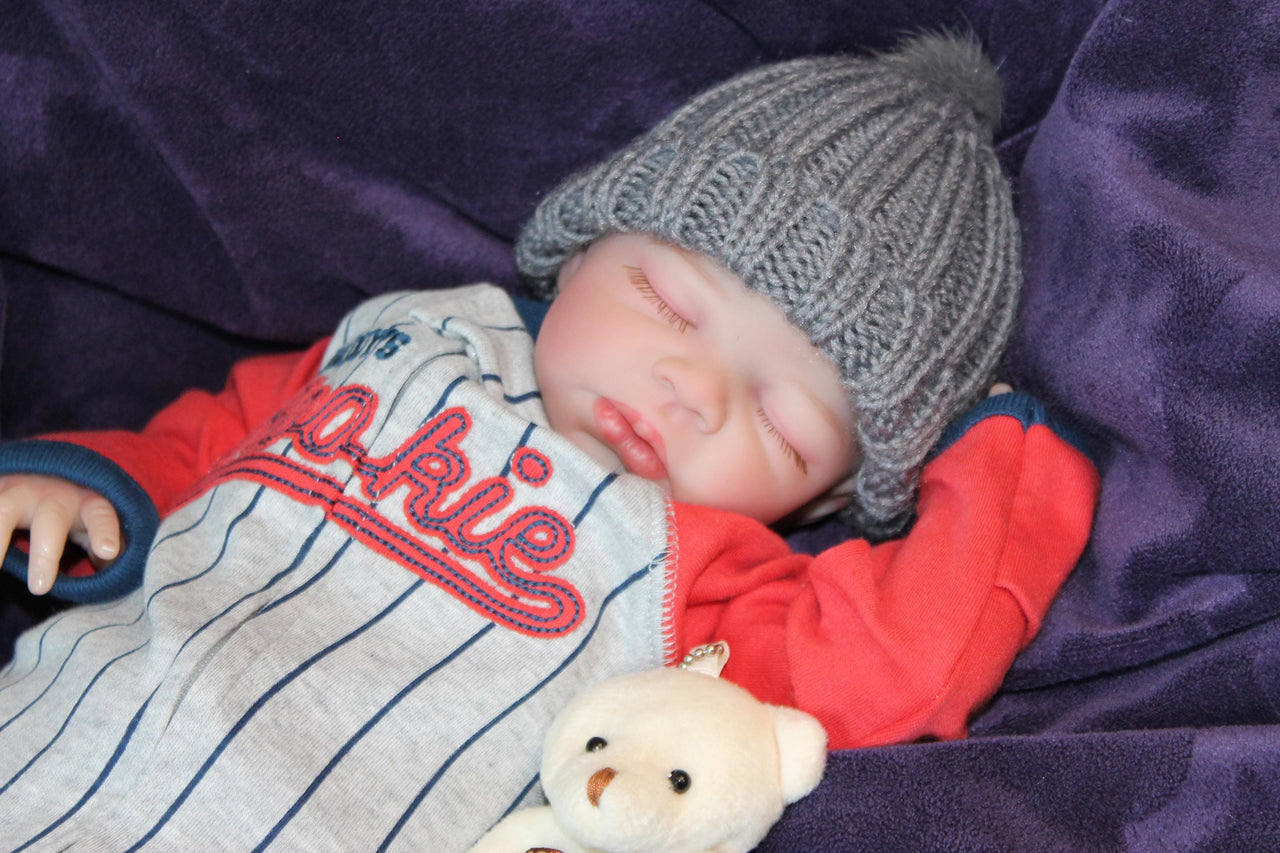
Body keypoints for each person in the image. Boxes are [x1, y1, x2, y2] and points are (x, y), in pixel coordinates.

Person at [0, 34, 1097, 850]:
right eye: (668, 302)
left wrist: (1006, 453)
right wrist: (92, 483)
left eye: (779, 419)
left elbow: (903, 661)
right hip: (47, 738)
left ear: (821, 503)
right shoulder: (414, 330)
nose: (689, 387)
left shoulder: (704, 575)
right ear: (577, 249)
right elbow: (226, 428)